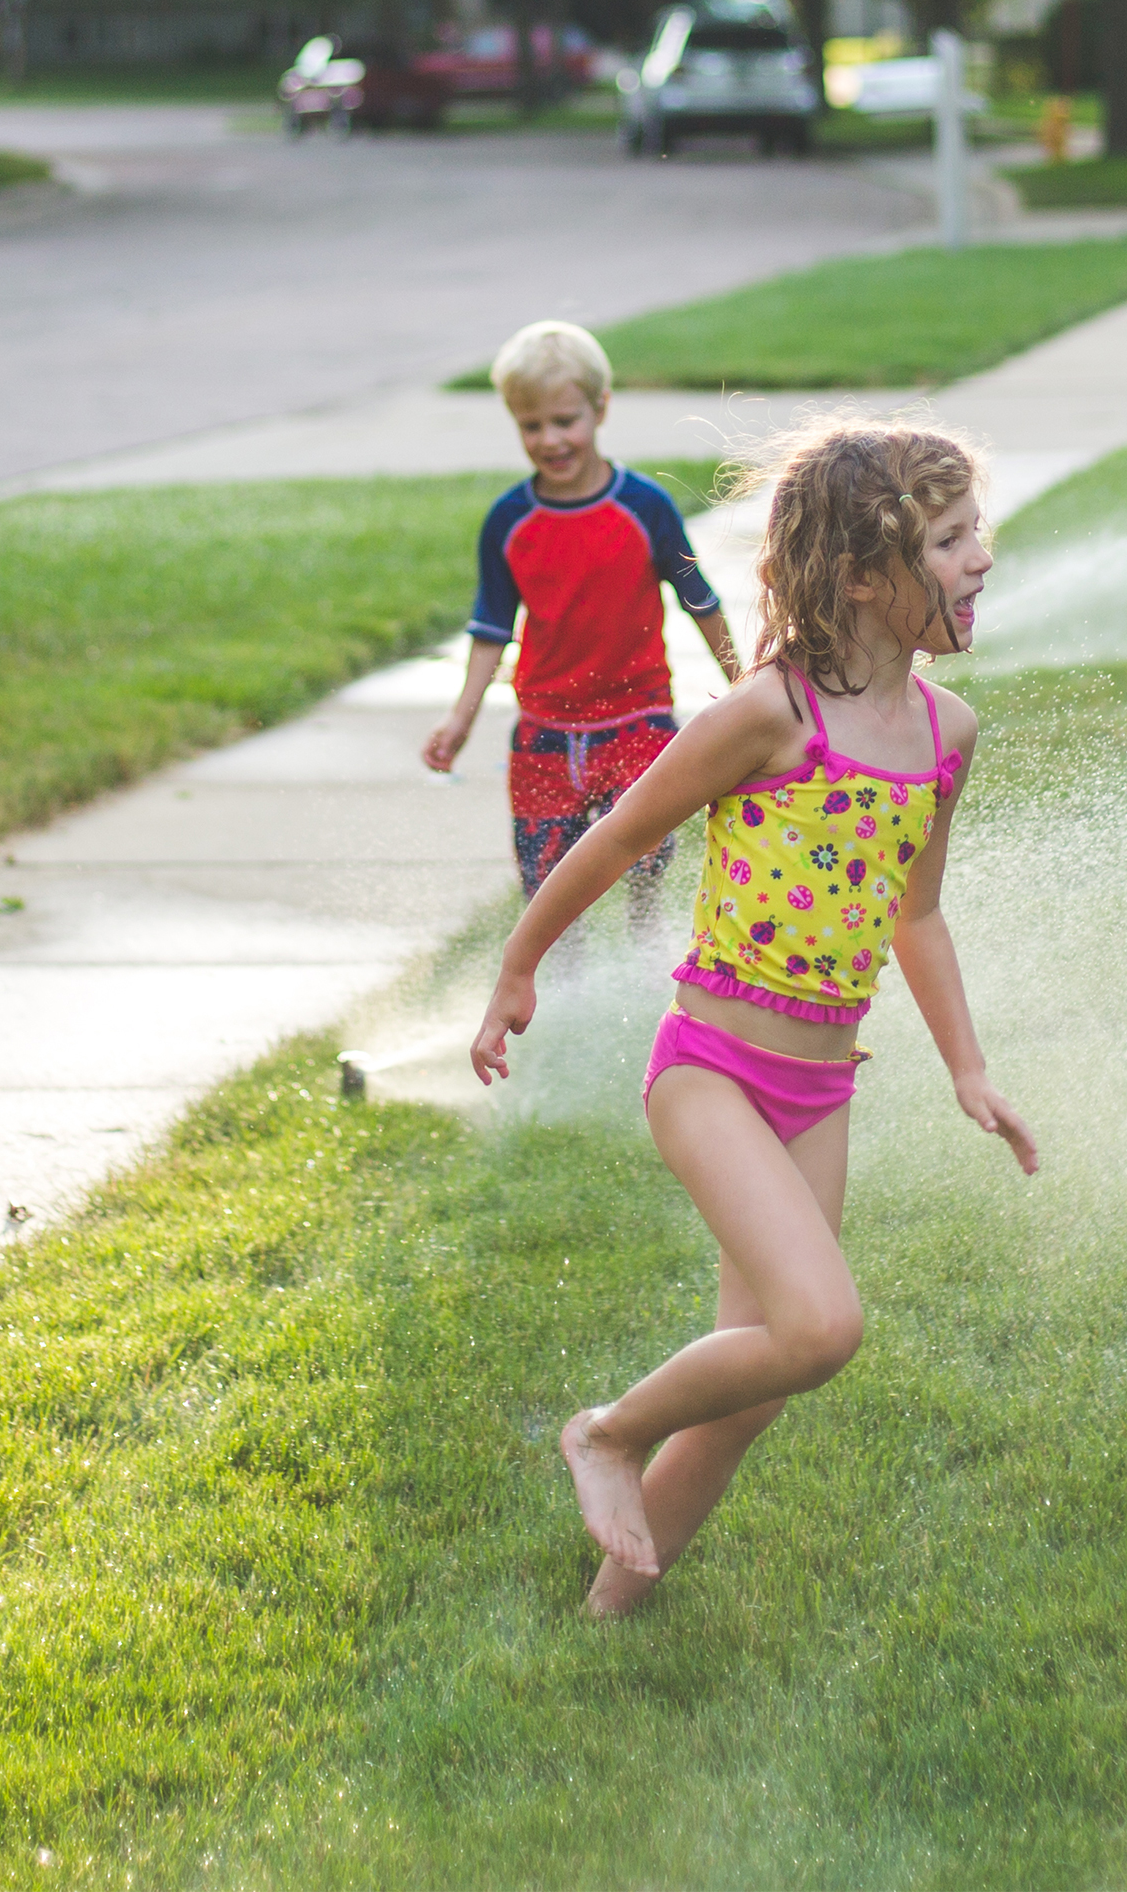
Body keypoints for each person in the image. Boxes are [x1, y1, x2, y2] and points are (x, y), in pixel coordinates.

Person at [469, 420, 1039, 1617]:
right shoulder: (770, 715)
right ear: (864, 575)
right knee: (822, 1326)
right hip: (713, 1070)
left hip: (819, 1088)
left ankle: (605, 1627)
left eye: (975, 529)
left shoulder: (949, 735)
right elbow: (622, 833)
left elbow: (916, 916)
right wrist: (521, 966)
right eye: (950, 538)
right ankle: (608, 1433)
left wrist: (968, 1069)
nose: (981, 556)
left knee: (759, 1388)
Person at [425, 321, 742, 898]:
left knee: (645, 872)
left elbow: (701, 602)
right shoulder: (508, 522)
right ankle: (559, 983)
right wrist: (461, 718)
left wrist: (745, 692)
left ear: (601, 408)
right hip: (545, 731)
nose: (550, 440)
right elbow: (492, 628)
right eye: (531, 426)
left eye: (564, 421)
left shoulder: (645, 507)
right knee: (546, 887)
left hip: (637, 721)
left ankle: (645, 958)